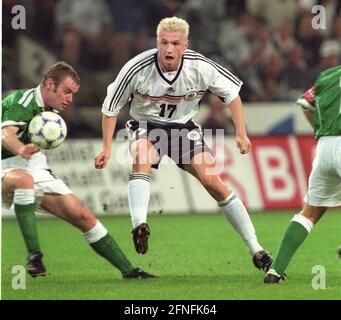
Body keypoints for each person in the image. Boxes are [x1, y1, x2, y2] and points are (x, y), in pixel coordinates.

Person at [95, 17, 272, 272]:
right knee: (141, 156)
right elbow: (110, 108)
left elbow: (232, 95)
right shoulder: (136, 68)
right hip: (146, 125)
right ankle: (139, 225)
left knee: (213, 182)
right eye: (164, 43)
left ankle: (256, 248)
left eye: (175, 43)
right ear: (157, 42)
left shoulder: (200, 66)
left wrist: (242, 133)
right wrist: (107, 147)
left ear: (185, 45)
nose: (169, 49)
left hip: (183, 128)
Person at [1, 61, 155, 280]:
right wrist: (21, 148)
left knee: (81, 214)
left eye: (73, 93)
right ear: (49, 84)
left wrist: (28, 151)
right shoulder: (22, 101)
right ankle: (34, 256)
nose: (70, 98)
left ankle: (130, 271)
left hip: (32, 164)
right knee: (25, 180)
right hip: (6, 165)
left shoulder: (50, 111)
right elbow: (6, 134)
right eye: (66, 91)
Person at [264, 65, 341, 284]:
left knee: (309, 213)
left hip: (325, 146)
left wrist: (321, 130)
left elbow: (306, 104)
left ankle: (275, 271)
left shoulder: (328, 75)